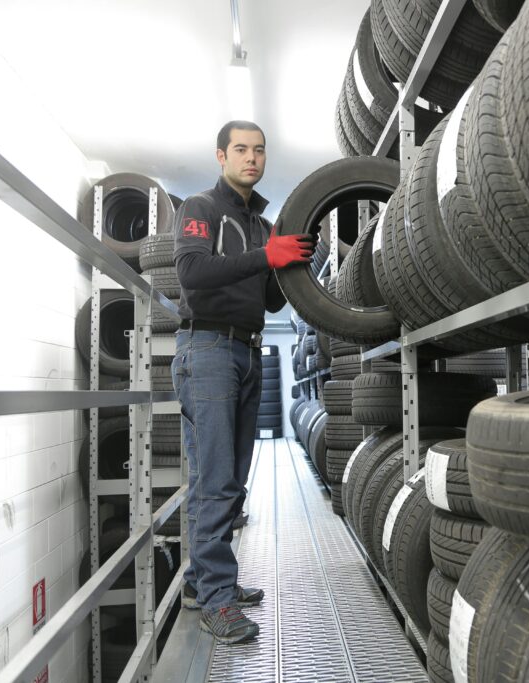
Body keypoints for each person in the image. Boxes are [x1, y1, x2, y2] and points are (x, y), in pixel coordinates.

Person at [170, 120, 315, 644]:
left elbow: (270, 300)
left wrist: (291, 264)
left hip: (247, 351)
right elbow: (194, 274)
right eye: (241, 150)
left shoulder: (263, 224)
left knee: (229, 479)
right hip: (206, 348)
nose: (251, 158)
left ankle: (200, 583)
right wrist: (266, 257)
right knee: (215, 481)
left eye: (259, 150)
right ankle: (218, 599)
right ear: (220, 155)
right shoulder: (199, 209)